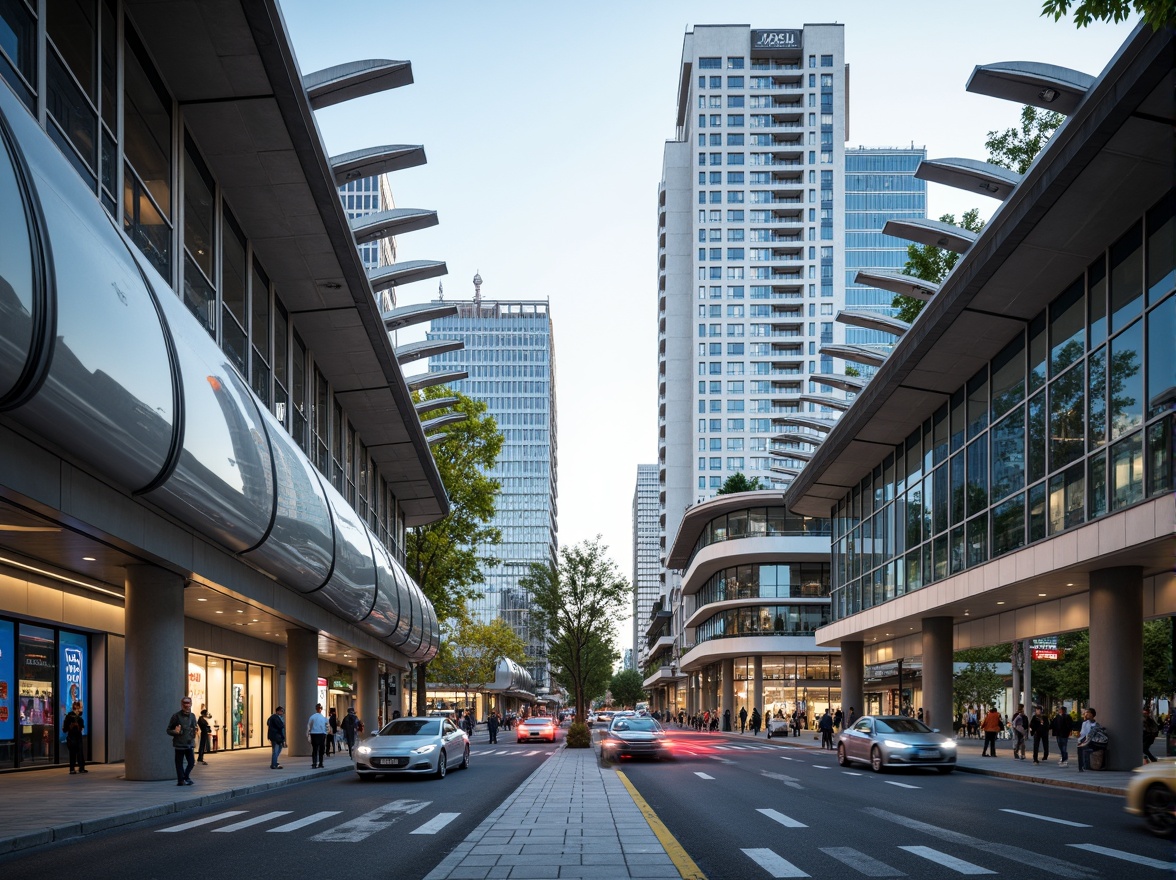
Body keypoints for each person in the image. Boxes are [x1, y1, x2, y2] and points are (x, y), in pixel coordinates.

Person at [167, 696, 198, 785]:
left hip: (189, 744)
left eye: (188, 703)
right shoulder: (176, 716)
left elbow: (194, 727)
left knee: (191, 763)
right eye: (185, 703)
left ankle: (185, 777)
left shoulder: (192, 716)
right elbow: (168, 730)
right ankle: (181, 780)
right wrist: (175, 732)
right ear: (181, 704)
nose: (187, 705)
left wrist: (194, 733)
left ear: (191, 704)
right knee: (179, 763)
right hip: (179, 744)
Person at [63, 700, 86, 774]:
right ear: (76, 707)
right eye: (80, 707)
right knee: (73, 753)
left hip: (78, 737)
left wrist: (78, 726)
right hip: (72, 737)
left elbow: (81, 728)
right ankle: (72, 768)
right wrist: (71, 726)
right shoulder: (69, 716)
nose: (81, 708)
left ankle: (81, 767)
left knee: (80, 752)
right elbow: (65, 729)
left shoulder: (79, 718)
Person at [307, 703, 329, 768]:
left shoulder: (312, 717)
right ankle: (321, 763)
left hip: (314, 734)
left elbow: (308, 725)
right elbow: (327, 726)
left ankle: (314, 763)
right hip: (322, 734)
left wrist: (308, 734)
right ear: (321, 709)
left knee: (315, 749)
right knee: (321, 750)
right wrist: (326, 732)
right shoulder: (324, 718)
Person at [1076, 707, 1097, 772]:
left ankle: (1089, 765)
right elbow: (1083, 733)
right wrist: (1079, 740)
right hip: (1085, 739)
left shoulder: (1096, 724)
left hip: (1094, 740)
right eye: (1086, 712)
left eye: (1088, 712)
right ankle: (1081, 767)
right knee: (1080, 748)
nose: (1086, 714)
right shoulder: (1085, 723)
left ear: (1092, 714)